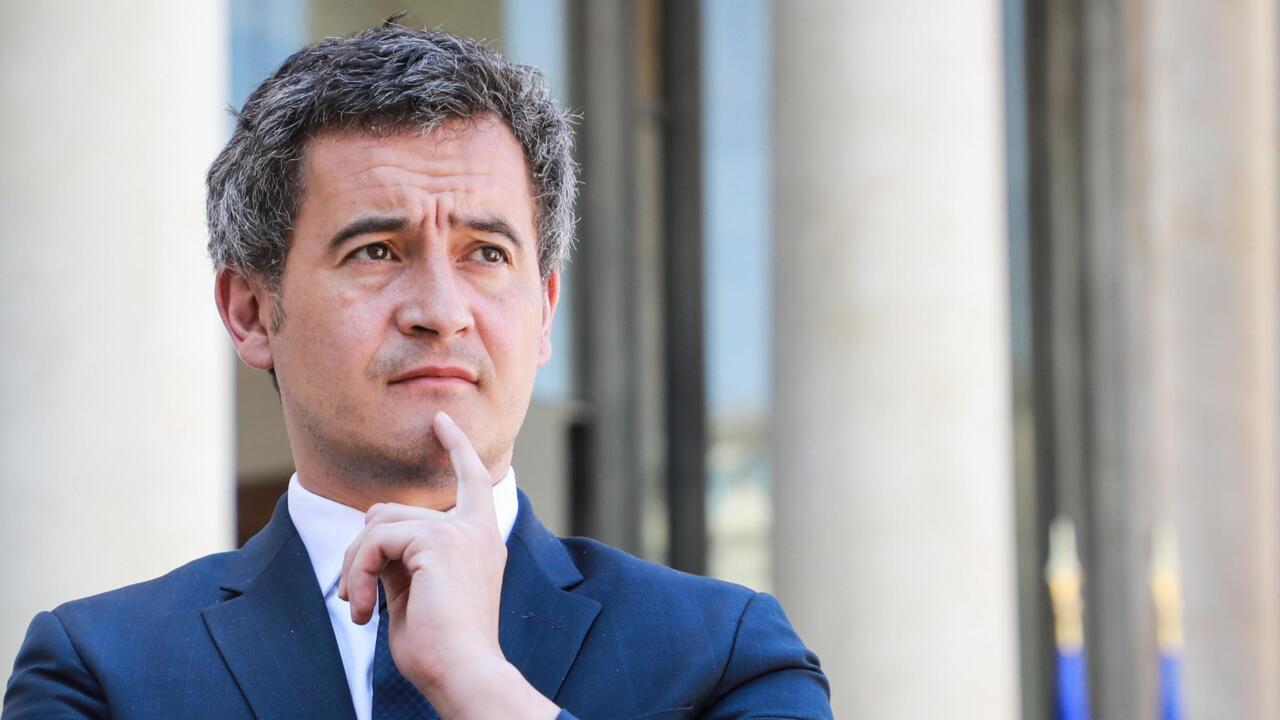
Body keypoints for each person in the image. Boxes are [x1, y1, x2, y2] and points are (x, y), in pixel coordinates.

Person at [3, 23, 831, 720]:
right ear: (251, 311)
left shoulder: (727, 657)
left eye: (486, 253)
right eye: (375, 251)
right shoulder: (101, 672)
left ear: (544, 310)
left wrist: (481, 687)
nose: (441, 309)